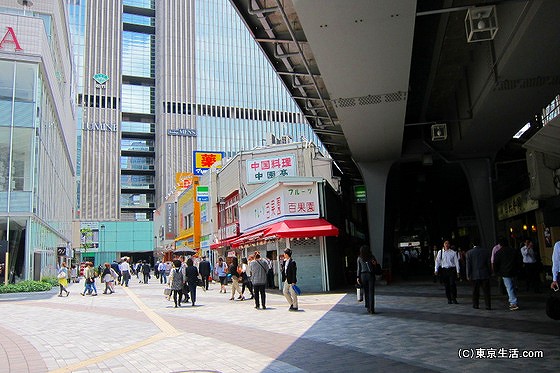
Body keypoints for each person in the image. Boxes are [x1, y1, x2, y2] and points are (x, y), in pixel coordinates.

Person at [494, 238, 522, 310]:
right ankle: (514, 300)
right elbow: (519, 260)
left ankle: (513, 303)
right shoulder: (514, 251)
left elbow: (496, 263)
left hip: (505, 272)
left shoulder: (499, 253)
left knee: (509, 287)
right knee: (513, 286)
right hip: (514, 271)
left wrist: (497, 272)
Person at [465, 245, 491, 310]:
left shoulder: (469, 253)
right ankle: (488, 305)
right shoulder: (486, 251)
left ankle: (475, 304)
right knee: (486, 291)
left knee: (475, 291)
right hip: (484, 274)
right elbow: (488, 263)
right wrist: (489, 272)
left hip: (474, 275)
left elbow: (468, 265)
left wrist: (468, 275)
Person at [356, 245, 377, 314]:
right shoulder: (371, 257)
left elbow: (358, 269)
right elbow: (375, 265)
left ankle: (368, 307)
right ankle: (372, 309)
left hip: (363, 275)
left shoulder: (359, 258)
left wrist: (358, 277)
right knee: (371, 292)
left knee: (366, 292)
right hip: (370, 275)